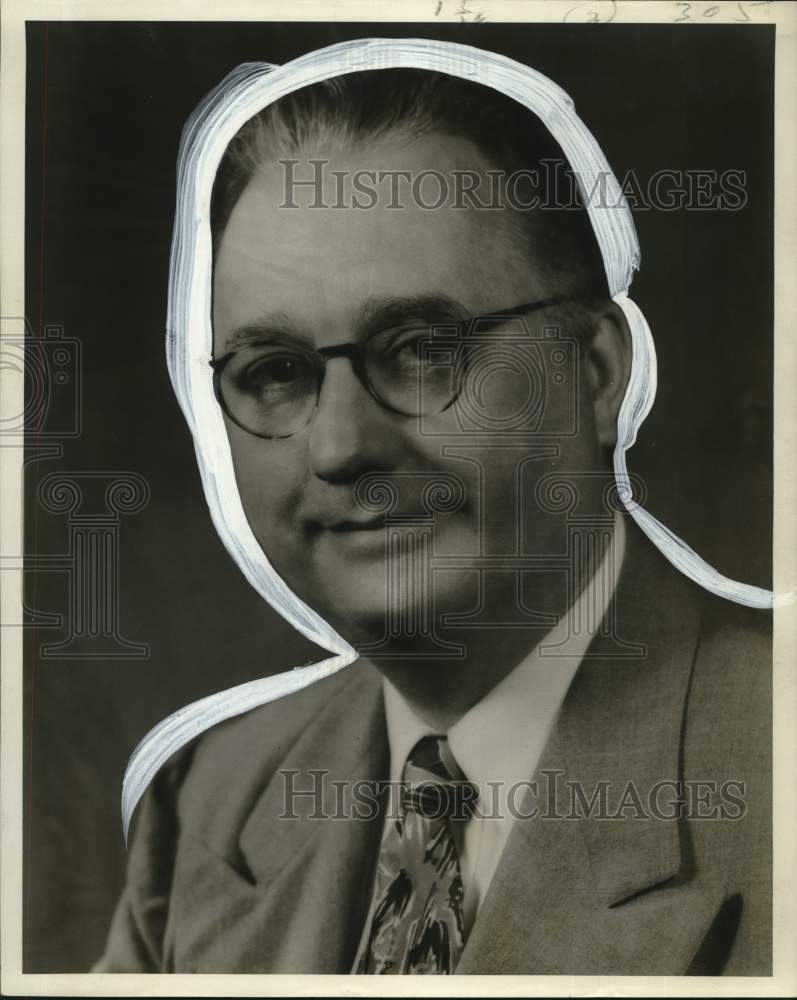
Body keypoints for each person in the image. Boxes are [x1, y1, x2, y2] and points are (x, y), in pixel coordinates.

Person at [95, 60, 772, 976]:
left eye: (421, 349)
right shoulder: (205, 806)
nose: (341, 447)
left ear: (598, 373)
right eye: (278, 371)